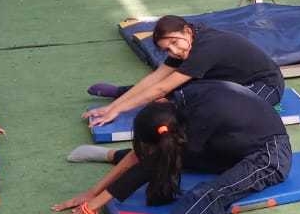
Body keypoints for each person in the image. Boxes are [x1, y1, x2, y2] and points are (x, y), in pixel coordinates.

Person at [49, 85, 293, 214]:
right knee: (170, 152)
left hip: (269, 156)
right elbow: (152, 153)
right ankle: (111, 154)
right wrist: (93, 191)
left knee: (209, 192)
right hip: (230, 144)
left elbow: (150, 164)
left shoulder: (200, 119)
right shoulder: (175, 105)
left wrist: (90, 207)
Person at [84, 15, 284, 131]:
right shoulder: (186, 44)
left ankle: (168, 101)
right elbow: (156, 78)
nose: (174, 51)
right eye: (167, 49)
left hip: (265, 85)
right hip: (228, 81)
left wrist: (118, 110)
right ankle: (121, 92)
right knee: (183, 87)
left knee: (221, 113)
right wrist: (113, 107)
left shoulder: (205, 48)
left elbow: (161, 88)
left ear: (187, 31)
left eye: (174, 42)